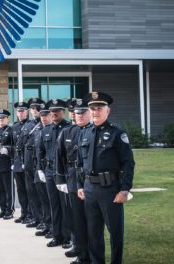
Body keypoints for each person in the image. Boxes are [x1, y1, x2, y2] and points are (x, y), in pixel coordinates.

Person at [77, 92, 135, 264]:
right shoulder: (85, 133)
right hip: (89, 190)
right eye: (92, 108)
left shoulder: (118, 134)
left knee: (115, 233)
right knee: (93, 233)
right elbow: (80, 162)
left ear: (107, 110)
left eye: (99, 108)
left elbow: (128, 163)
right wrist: (81, 185)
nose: (95, 111)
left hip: (110, 190)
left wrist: (125, 189)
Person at [56, 98, 91, 264]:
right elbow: (60, 156)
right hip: (72, 178)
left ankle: (89, 253)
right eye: (75, 112)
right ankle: (80, 249)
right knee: (76, 217)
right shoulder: (67, 132)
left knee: (91, 219)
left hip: (90, 180)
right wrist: (61, 179)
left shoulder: (93, 130)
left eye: (81, 112)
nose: (77, 115)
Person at [37, 99, 72, 248]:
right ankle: (57, 235)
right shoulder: (45, 130)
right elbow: (40, 151)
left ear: (63, 112)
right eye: (52, 111)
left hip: (64, 172)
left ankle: (67, 237)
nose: (54, 113)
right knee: (54, 205)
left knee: (65, 206)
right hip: (50, 171)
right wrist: (40, 168)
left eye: (57, 110)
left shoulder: (69, 129)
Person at [20, 98, 44, 228]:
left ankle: (43, 220)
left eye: (37, 109)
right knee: (31, 193)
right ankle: (35, 218)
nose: (35, 111)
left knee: (40, 193)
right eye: (33, 109)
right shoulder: (28, 125)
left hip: (38, 162)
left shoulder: (43, 124)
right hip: (28, 162)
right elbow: (22, 145)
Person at [0, 108, 14, 220]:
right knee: (0, 190)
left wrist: (7, 149)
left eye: (3, 118)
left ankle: (9, 210)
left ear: (7, 119)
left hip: (7, 164)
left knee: (8, 189)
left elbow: (15, 146)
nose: (1, 120)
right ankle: (3, 209)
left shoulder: (11, 131)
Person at [34, 103, 53, 238]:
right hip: (40, 169)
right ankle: (47, 225)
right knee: (43, 200)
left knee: (52, 201)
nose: (43, 118)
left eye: (46, 115)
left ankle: (54, 228)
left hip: (51, 171)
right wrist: (39, 170)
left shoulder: (55, 130)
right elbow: (38, 152)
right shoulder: (38, 130)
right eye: (41, 115)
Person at [11, 101, 30, 223]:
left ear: (27, 112)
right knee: (21, 190)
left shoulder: (31, 125)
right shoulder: (14, 126)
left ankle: (31, 214)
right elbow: (13, 146)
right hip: (17, 163)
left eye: (23, 110)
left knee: (30, 191)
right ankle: (24, 213)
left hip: (27, 163)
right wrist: (13, 162)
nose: (20, 113)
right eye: (18, 111)